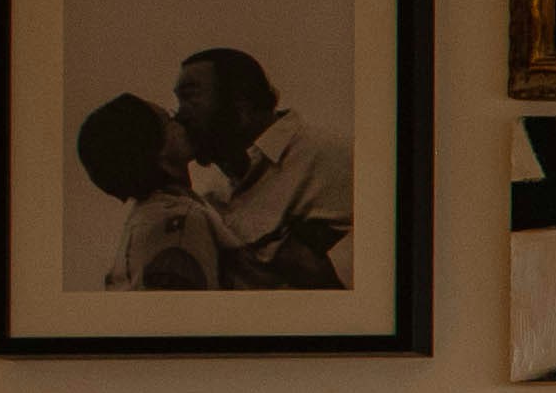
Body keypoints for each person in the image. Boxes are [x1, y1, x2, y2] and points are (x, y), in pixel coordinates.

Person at [170, 49, 349, 287]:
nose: (179, 116)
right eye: (178, 101)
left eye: (190, 96)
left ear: (241, 100)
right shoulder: (213, 193)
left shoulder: (335, 157)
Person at [72, 93, 219, 289]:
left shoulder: (147, 219)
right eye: (168, 118)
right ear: (158, 150)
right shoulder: (180, 225)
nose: (181, 119)